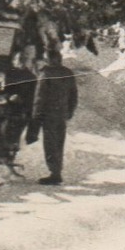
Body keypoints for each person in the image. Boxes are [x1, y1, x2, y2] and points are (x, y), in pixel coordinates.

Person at [31, 46, 79, 185]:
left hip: (49, 115)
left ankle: (54, 173)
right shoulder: (68, 73)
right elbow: (73, 95)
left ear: (48, 59)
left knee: (50, 144)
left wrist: (36, 117)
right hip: (62, 114)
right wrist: (70, 111)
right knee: (59, 142)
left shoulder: (45, 74)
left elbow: (39, 98)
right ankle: (57, 171)